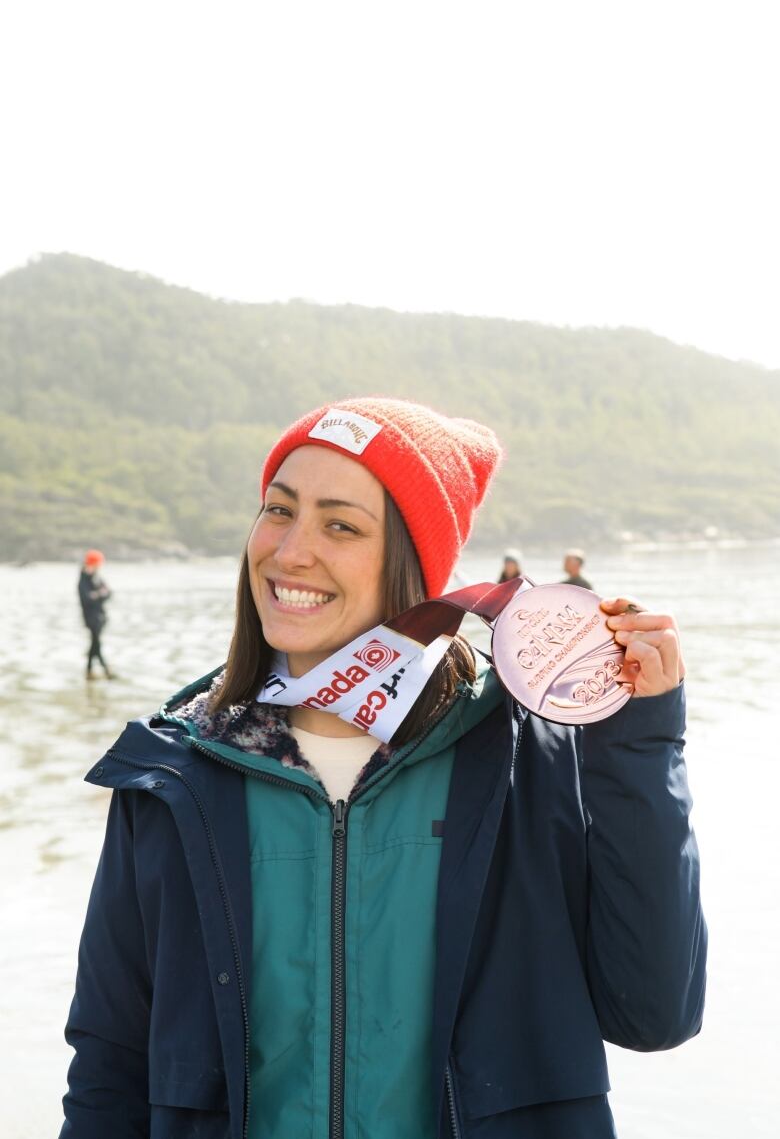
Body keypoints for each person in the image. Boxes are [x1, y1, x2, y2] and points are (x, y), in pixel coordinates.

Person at [60, 398, 706, 1139]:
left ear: (414, 566)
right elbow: (108, 1071)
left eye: (340, 524)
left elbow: (656, 1012)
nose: (291, 551)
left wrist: (640, 744)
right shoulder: (173, 777)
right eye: (278, 510)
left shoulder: (524, 758)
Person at [77, 549, 114, 680]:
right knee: (96, 645)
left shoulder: (96, 578)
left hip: (100, 617)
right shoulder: (83, 580)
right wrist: (100, 594)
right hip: (91, 618)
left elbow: (109, 593)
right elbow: (87, 599)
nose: (98, 567)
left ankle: (90, 672)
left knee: (94, 645)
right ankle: (106, 671)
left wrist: (97, 595)